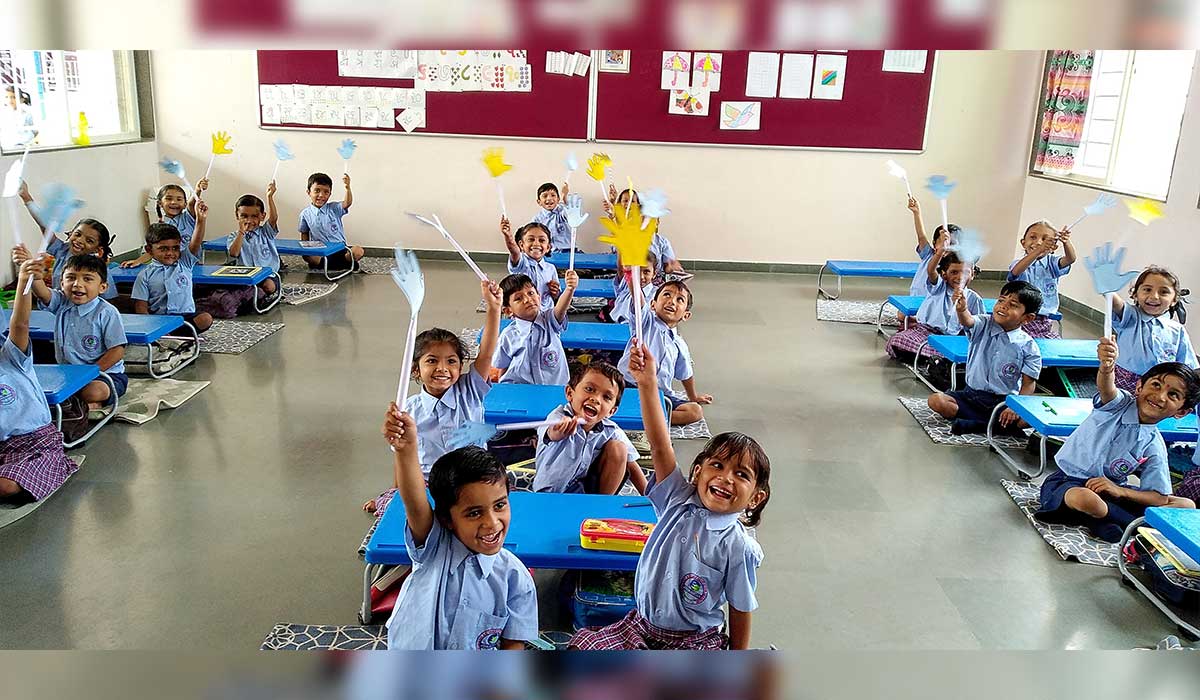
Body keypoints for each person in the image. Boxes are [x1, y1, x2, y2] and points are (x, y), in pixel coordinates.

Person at [570, 340, 770, 650]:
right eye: (716, 465)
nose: (725, 478)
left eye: (741, 474)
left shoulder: (738, 545)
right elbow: (660, 444)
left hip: (694, 641)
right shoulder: (677, 497)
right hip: (639, 626)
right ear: (697, 472)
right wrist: (648, 382)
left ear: (755, 497)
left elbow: (741, 607)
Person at [380, 409, 538, 650]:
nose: (492, 522)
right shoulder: (434, 548)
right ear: (446, 519)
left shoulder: (516, 579)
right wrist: (406, 449)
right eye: (474, 513)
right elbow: (414, 501)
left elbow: (513, 643)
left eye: (499, 505)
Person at [1034, 337, 1198, 543]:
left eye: (1173, 394)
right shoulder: (1118, 404)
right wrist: (1106, 367)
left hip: (1111, 490)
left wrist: (1119, 490)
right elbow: (1106, 388)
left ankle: (1105, 521)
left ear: (1182, 412)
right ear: (1139, 387)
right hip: (1068, 482)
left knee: (1186, 504)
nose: (1160, 396)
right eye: (1156, 385)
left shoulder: (1154, 443)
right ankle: (1130, 524)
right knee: (1087, 500)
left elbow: (1159, 497)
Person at [0, 260, 79, 504]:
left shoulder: (11, 359)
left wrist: (24, 281)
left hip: (35, 444)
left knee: (5, 485)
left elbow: (21, 325)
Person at [926, 281, 1044, 435]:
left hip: (1005, 401)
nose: (1003, 306)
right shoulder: (984, 323)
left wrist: (1015, 407)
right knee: (937, 401)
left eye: (1013, 305)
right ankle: (994, 427)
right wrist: (962, 310)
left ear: (1028, 318)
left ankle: (975, 425)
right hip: (971, 396)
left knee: (1032, 417)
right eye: (1001, 300)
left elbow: (1028, 384)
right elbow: (968, 321)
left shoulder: (1029, 346)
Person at [27, 254, 128, 410]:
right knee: (32, 386)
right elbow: (43, 293)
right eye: (71, 278)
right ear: (61, 283)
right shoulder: (62, 302)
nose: (77, 284)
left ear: (102, 287)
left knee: (93, 392)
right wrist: (36, 277)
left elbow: (117, 350)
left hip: (104, 374)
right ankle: (78, 403)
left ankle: (86, 402)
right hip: (67, 373)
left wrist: (90, 373)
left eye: (87, 279)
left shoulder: (107, 312)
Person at [532, 361, 646, 495]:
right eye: (590, 389)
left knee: (619, 448)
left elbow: (631, 465)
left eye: (606, 397)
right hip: (549, 493)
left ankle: (601, 504)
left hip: (584, 491)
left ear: (611, 411)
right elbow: (552, 433)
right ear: (570, 393)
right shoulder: (558, 416)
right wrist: (559, 430)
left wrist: (652, 499)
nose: (596, 399)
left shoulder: (610, 430)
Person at [617, 281, 711, 426]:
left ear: (686, 315)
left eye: (680, 299)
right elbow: (637, 299)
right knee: (606, 396)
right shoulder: (645, 323)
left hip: (659, 394)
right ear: (653, 305)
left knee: (695, 411)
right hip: (628, 385)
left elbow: (686, 373)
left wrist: (693, 397)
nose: (671, 301)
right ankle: (650, 417)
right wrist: (631, 279)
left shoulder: (679, 344)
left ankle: (649, 417)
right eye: (666, 294)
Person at [13, 182, 118, 303]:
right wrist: (26, 197)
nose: (79, 241)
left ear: (98, 249)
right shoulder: (62, 251)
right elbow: (45, 226)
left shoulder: (99, 269)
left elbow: (111, 301)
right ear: (71, 233)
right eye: (77, 234)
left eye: (89, 241)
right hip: (58, 309)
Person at [884, 251, 984, 363]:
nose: (960, 277)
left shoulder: (974, 299)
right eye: (954, 272)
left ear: (972, 275)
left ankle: (933, 358)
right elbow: (931, 271)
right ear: (944, 275)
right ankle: (935, 359)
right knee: (897, 340)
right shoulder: (939, 288)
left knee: (961, 350)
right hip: (926, 332)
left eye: (965, 272)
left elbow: (978, 326)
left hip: (952, 339)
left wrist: (963, 312)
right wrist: (940, 252)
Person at [131, 200, 213, 332]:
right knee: (157, 329)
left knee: (205, 318)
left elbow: (196, 242)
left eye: (175, 248)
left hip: (185, 318)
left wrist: (201, 220)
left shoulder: (184, 262)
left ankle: (175, 336)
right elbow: (141, 306)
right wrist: (147, 328)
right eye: (163, 249)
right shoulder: (145, 275)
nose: (170, 253)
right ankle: (166, 337)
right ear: (149, 250)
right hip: (159, 321)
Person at [493, 270, 577, 385]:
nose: (527, 299)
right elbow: (503, 366)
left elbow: (560, 309)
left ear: (539, 297)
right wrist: (502, 391)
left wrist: (569, 289)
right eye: (518, 298)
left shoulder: (549, 320)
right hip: (520, 388)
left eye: (531, 293)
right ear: (508, 310)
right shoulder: (508, 335)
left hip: (553, 387)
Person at [1007, 220, 1075, 338]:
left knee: (1051, 346)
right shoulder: (1019, 263)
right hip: (1020, 317)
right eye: (1033, 237)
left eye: (1045, 239)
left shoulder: (1052, 263)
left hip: (1044, 321)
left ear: (1053, 247)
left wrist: (1066, 242)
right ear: (1023, 243)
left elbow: (1070, 259)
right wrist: (1039, 249)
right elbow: (1016, 271)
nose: (1038, 242)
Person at [123, 180, 209, 268]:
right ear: (160, 203)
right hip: (169, 267)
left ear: (184, 204)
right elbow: (153, 250)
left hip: (192, 265)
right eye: (169, 198)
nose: (173, 202)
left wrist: (198, 190)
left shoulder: (188, 218)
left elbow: (192, 203)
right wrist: (138, 261)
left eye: (179, 199)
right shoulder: (159, 228)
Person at [299, 172, 364, 270]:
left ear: (330, 194)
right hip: (321, 251)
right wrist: (305, 249)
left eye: (326, 192)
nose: (321, 195)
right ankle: (339, 264)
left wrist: (347, 188)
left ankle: (333, 264)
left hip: (340, 250)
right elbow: (304, 233)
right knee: (308, 256)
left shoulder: (334, 208)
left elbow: (347, 203)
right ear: (308, 192)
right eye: (317, 191)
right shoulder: (305, 214)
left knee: (358, 251)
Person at [227, 185, 281, 297]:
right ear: (237, 216)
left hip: (267, 276)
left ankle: (258, 295)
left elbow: (274, 218)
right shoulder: (234, 236)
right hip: (245, 276)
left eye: (254, 216)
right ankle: (254, 295)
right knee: (234, 289)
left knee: (269, 286)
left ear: (262, 216)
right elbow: (234, 253)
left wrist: (270, 197)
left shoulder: (266, 232)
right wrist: (241, 232)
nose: (249, 221)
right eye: (244, 216)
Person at [501, 217, 558, 311]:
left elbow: (555, 296)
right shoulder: (521, 264)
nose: (536, 244)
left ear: (548, 247)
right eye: (531, 239)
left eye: (541, 240)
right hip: (524, 312)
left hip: (546, 313)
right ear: (521, 245)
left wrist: (554, 291)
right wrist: (508, 236)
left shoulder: (551, 268)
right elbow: (514, 251)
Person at [531, 182, 572, 253]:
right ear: (539, 202)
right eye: (545, 196)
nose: (549, 198)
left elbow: (570, 213)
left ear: (558, 199)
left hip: (568, 250)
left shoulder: (562, 211)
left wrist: (565, 197)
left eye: (553, 195)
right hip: (549, 252)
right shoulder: (537, 219)